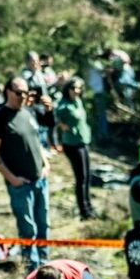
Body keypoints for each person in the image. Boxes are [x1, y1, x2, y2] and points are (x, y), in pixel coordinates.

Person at [0, 76, 53, 272]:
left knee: (43, 225)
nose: (23, 97)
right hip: (21, 185)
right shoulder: (0, 116)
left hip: (40, 180)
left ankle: (45, 266)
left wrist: (46, 164)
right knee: (28, 229)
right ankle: (32, 269)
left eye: (26, 93)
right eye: (19, 93)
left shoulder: (28, 112)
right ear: (8, 92)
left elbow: (36, 141)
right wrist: (13, 179)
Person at [54, 77, 95, 219]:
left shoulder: (78, 101)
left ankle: (89, 206)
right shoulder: (64, 104)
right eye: (73, 88)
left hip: (83, 141)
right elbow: (53, 114)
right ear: (68, 89)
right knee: (81, 177)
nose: (76, 91)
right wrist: (60, 124)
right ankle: (84, 210)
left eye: (78, 88)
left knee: (88, 176)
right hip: (72, 144)